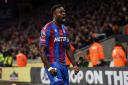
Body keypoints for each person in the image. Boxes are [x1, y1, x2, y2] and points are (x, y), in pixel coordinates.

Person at [39, 4, 79, 85]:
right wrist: (49, 67)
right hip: (52, 63)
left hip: (64, 65)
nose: (64, 13)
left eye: (64, 12)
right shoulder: (47, 28)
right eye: (61, 12)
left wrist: (74, 65)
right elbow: (41, 50)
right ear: (54, 15)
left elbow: (68, 48)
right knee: (58, 83)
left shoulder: (65, 29)